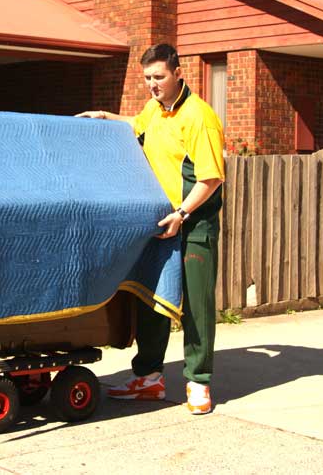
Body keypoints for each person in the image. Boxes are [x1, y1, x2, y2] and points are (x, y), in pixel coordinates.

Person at [77, 43, 225, 415]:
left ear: (178, 73)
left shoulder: (199, 117)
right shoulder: (155, 109)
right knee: (152, 299)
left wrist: (182, 214)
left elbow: (210, 178)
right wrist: (105, 116)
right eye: (147, 78)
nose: (152, 84)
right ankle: (148, 379)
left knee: (196, 307)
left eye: (159, 77)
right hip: (160, 222)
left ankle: (199, 381)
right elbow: (137, 124)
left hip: (193, 224)